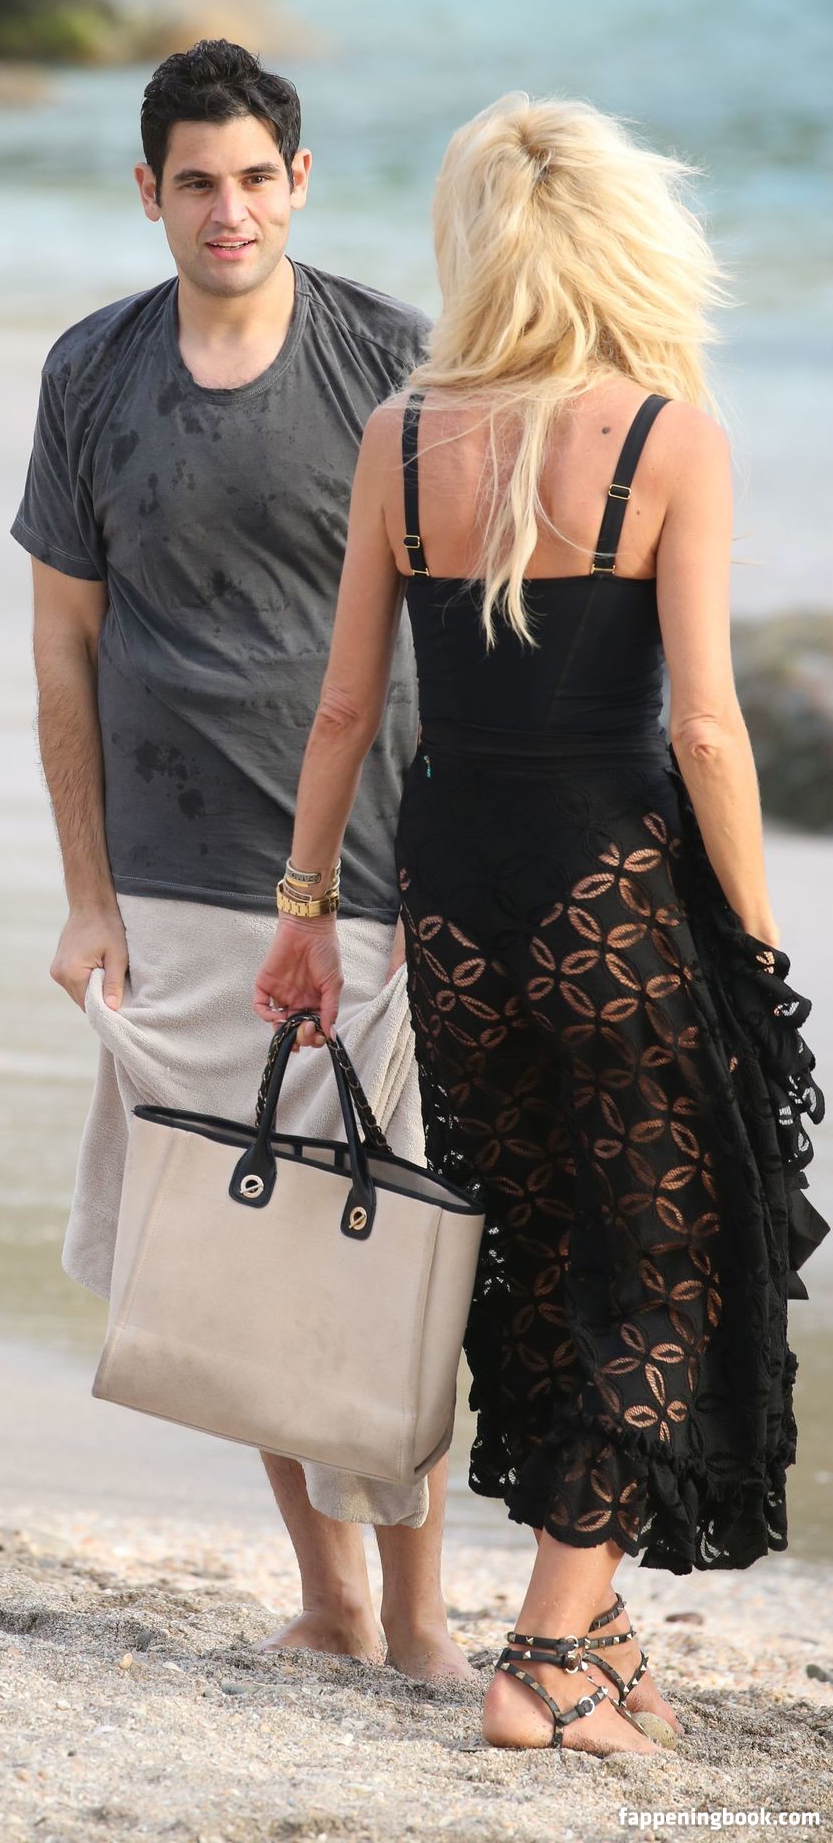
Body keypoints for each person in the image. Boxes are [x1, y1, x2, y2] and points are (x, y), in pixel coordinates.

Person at [254, 92, 826, 1754]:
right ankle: (546, 1661)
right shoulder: (667, 439)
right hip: (615, 893)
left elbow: (345, 709)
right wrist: (759, 949)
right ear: (629, 245)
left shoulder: (400, 435)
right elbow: (707, 728)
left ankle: (602, 1634)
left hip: (452, 896)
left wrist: (305, 910)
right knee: (669, 1254)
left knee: (537, 1245)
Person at [11, 39, 472, 1679]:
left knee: (380, 1245)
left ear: (300, 182)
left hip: (372, 876)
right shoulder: (90, 371)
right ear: (149, 191)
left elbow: (468, 628)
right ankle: (332, 1601)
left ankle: (421, 1617)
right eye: (196, 183)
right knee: (235, 1252)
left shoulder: (394, 363)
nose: (230, 211)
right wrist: (87, 896)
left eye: (256, 179)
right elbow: (64, 647)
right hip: (171, 873)